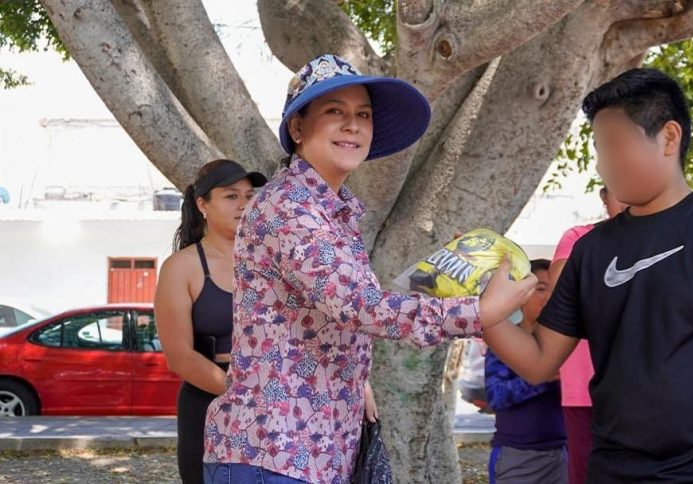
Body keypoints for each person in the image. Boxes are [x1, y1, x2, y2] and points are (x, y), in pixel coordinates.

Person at [201, 55, 536, 484]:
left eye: (363, 114)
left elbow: (328, 319)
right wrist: (478, 312)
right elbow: (361, 307)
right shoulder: (289, 208)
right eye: (334, 111)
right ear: (298, 128)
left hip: (310, 454)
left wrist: (356, 375)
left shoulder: (329, 212)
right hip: (275, 453)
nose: (353, 125)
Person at [480, 68, 693, 482]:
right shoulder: (591, 250)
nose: (603, 164)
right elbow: (539, 362)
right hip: (612, 470)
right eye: (598, 149)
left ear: (668, 137)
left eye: (614, 145)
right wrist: (482, 307)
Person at [154, 159, 267, 484]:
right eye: (231, 196)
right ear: (202, 204)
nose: (243, 204)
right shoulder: (182, 267)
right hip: (209, 406)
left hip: (274, 407)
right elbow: (179, 356)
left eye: (249, 196)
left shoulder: (270, 260)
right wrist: (243, 395)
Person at [549, 186, 626, 484]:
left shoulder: (665, 241)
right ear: (604, 198)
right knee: (586, 475)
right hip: (585, 389)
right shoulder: (578, 237)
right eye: (620, 187)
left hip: (646, 388)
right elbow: (559, 286)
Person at [485, 259, 567, 484]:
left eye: (556, 289)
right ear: (521, 296)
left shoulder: (570, 346)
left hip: (564, 455)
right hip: (516, 457)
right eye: (540, 289)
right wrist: (540, 377)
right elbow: (496, 397)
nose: (549, 296)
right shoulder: (505, 341)